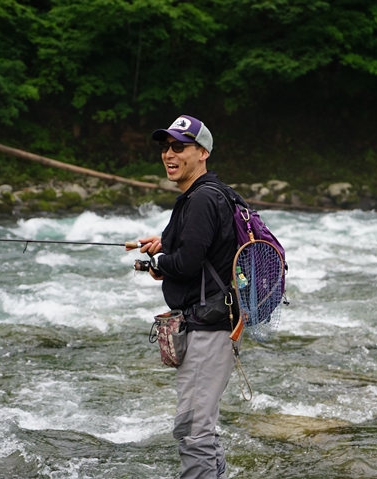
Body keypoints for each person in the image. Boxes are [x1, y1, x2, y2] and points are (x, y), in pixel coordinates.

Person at [131, 115, 238, 479]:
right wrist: (165, 246)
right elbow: (204, 249)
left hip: (208, 330)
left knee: (193, 430)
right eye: (165, 147)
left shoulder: (202, 199)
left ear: (203, 152)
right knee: (195, 426)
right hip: (209, 326)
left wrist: (159, 263)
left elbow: (189, 263)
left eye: (179, 146)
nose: (169, 154)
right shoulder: (206, 194)